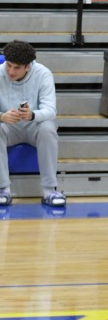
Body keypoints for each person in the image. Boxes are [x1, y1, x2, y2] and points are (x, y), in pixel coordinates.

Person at [0, 41, 66, 208]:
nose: (11, 71)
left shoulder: (43, 74)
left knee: (48, 127)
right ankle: (3, 190)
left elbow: (51, 110)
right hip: (8, 126)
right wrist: (2, 116)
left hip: (34, 125)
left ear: (28, 66)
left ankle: (50, 191)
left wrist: (32, 115)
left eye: (17, 68)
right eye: (9, 65)